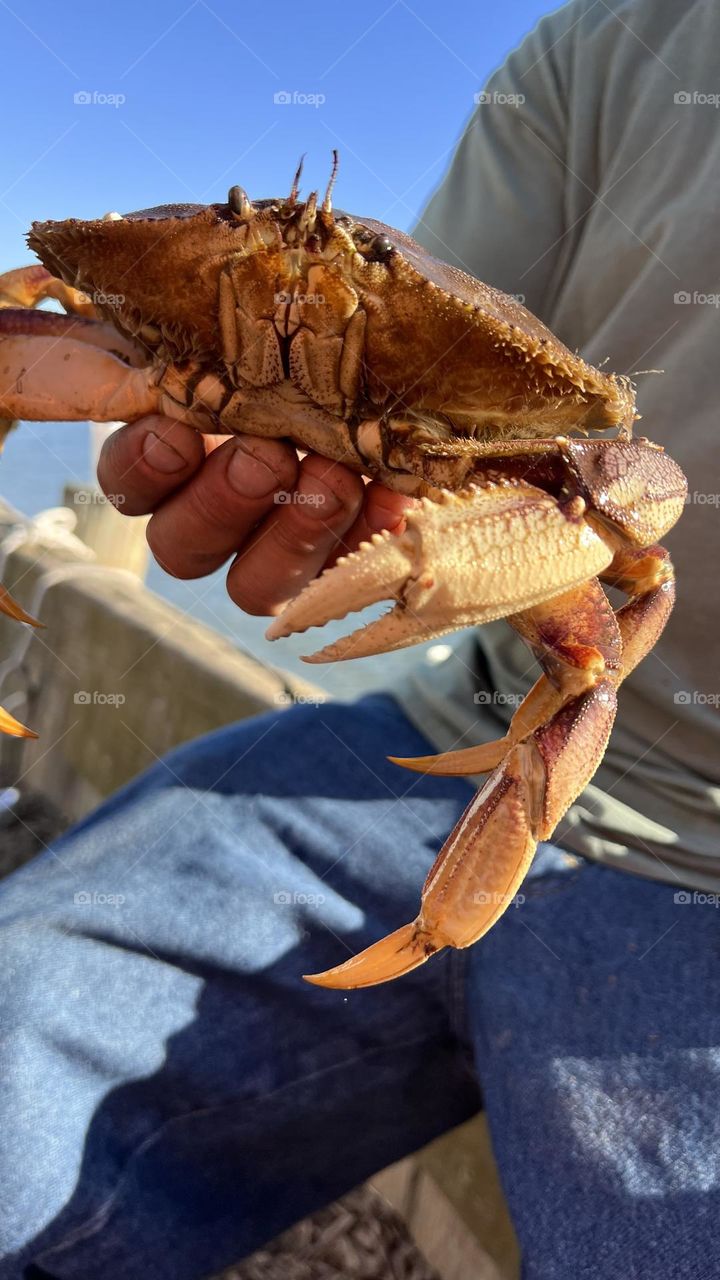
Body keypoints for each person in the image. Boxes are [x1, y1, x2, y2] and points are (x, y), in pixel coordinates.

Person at [3, 1, 719, 1276]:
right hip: (414, 744)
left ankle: (462, 912)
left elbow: (630, 528)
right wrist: (320, 476)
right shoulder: (613, 45)